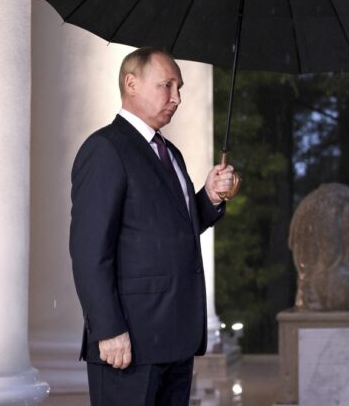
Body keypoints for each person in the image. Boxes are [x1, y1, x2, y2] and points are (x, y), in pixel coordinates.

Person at [69, 47, 234, 405]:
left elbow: (176, 230)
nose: (177, 98)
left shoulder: (170, 152)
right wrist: (109, 329)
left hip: (175, 340)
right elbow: (89, 251)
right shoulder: (104, 149)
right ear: (131, 83)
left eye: (180, 88)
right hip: (128, 344)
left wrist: (209, 197)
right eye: (167, 85)